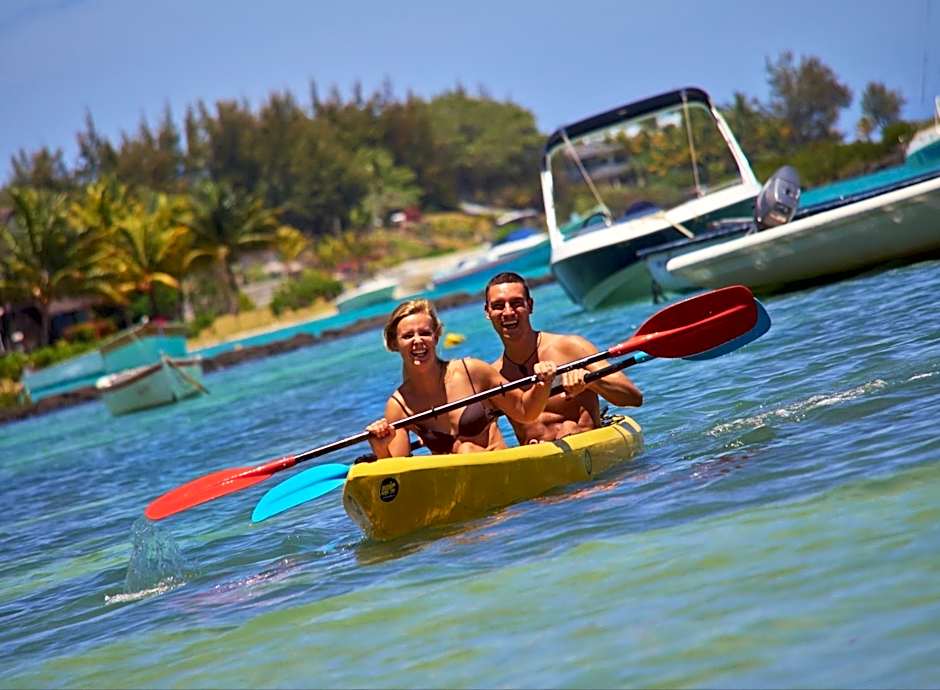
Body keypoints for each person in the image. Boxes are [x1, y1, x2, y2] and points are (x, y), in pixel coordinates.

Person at [365, 298, 558, 459]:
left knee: (467, 449)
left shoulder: (472, 371)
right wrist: (380, 445)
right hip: (460, 489)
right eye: (408, 336)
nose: (418, 341)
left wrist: (544, 382)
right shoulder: (398, 406)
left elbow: (526, 412)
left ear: (436, 337)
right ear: (394, 343)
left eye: (425, 333)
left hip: (500, 472)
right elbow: (400, 471)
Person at [484, 272, 643, 444]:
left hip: (592, 453)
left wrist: (591, 381)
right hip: (539, 460)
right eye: (498, 306)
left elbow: (634, 398)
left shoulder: (571, 348)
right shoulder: (492, 377)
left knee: (569, 429)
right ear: (488, 312)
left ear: (530, 306)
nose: (508, 312)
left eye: (516, 303)